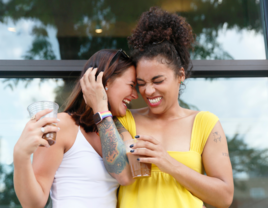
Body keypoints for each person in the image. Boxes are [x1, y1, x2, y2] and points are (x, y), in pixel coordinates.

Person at [82, 7, 234, 208]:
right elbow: (119, 170)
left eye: (158, 80)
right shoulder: (125, 119)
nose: (148, 91)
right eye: (141, 83)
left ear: (180, 75)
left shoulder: (205, 124)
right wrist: (100, 106)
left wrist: (168, 163)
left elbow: (224, 197)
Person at [13, 49, 138, 208]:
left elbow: (126, 176)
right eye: (132, 85)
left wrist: (100, 108)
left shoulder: (118, 129)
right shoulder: (61, 125)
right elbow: (33, 203)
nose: (135, 94)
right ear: (105, 82)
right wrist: (20, 155)